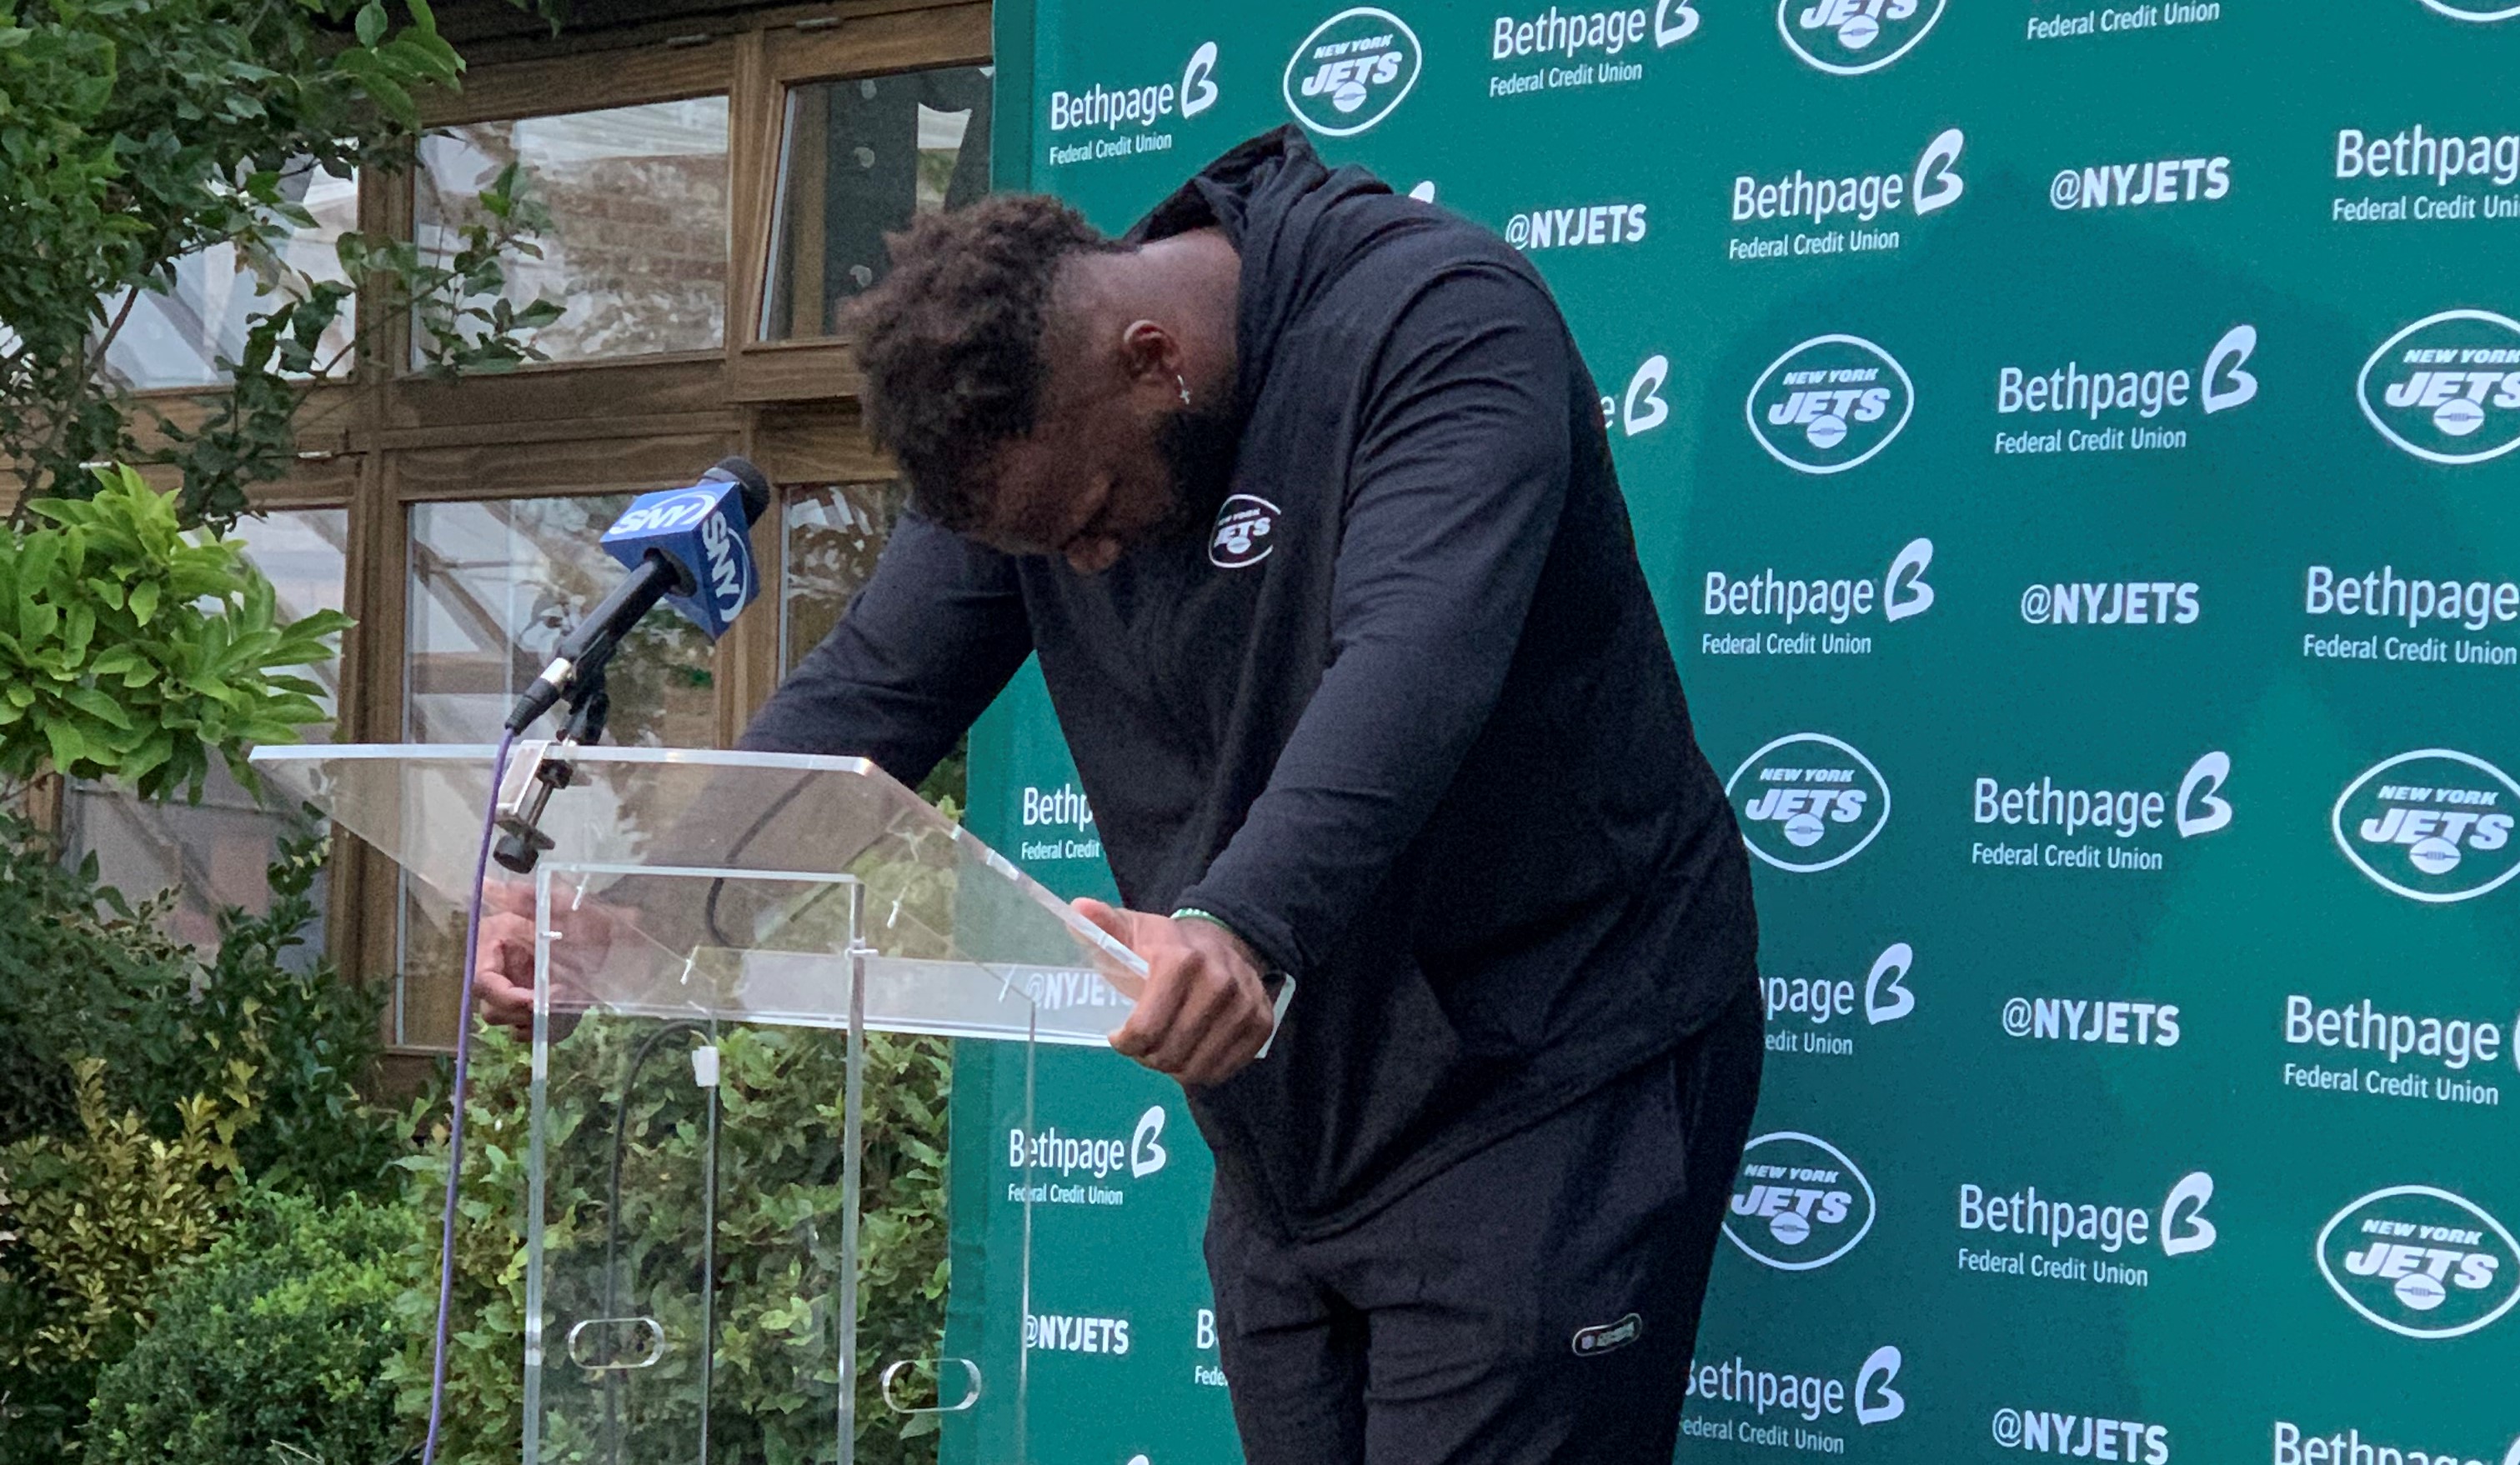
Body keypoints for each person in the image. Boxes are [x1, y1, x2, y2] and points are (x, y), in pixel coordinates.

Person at [475, 124, 1761, 1465]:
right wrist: (642, 914)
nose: (1081, 560)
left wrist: (1244, 924)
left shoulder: (1438, 325)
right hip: (1300, 1126)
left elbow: (1416, 658)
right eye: (1048, 546)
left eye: (1091, 514)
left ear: (1154, 361)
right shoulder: (1027, 432)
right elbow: (873, 695)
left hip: (1549, 1064)